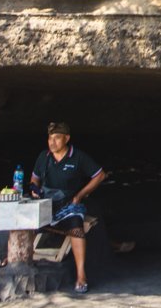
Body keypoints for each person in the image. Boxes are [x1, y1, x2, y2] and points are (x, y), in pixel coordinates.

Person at [28, 121, 106, 294]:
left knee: (76, 227)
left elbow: (100, 175)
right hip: (46, 203)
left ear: (67, 138)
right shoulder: (43, 157)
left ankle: (81, 275)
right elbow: (34, 178)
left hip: (68, 205)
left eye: (57, 138)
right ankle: (14, 260)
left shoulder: (77, 157)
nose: (52, 142)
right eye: (50, 138)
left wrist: (79, 196)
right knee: (25, 219)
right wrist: (34, 188)